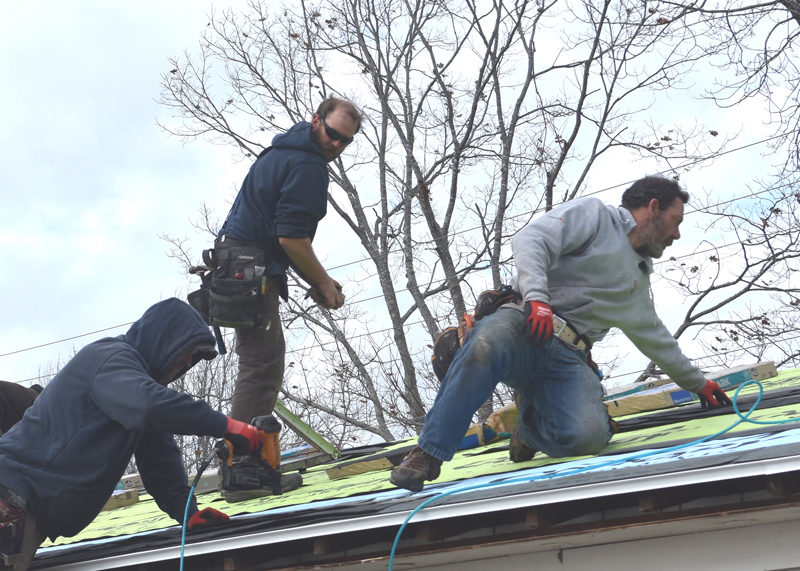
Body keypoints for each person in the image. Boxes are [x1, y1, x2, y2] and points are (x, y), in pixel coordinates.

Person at [390, 175, 733, 492]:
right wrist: (538, 298)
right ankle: (428, 454)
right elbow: (530, 239)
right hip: (524, 324)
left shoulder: (638, 276)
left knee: (588, 436)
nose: (676, 234)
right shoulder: (597, 216)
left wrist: (697, 383)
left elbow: (655, 338)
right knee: (484, 346)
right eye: (676, 222)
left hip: (569, 357)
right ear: (653, 208)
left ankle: (529, 427)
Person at [0, 298, 263, 569]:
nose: (187, 360)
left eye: (193, 357)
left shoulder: (135, 393)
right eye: (187, 349)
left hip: (27, 508)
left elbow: (161, 465)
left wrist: (188, 514)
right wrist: (228, 426)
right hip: (10, 493)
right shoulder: (111, 359)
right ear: (162, 337)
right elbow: (150, 406)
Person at [215, 97, 362, 426]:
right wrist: (322, 281)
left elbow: (282, 235)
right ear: (315, 121)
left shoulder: (282, 151)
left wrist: (316, 279)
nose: (336, 144)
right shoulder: (308, 165)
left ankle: (242, 459)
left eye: (345, 140)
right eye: (332, 133)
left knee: (260, 361)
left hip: (235, 262)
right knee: (262, 365)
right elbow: (291, 238)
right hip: (250, 267)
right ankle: (242, 464)